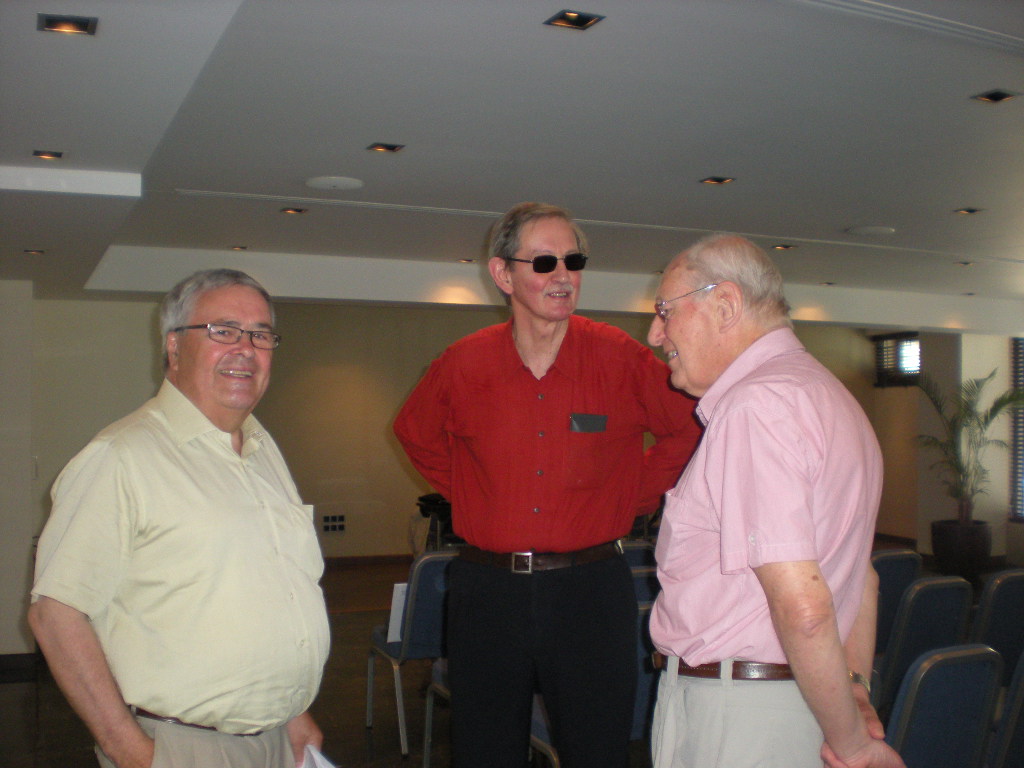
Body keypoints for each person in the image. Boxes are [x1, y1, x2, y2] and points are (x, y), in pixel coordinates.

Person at [394, 202, 702, 768]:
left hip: (590, 591)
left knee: (598, 752)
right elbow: (414, 434)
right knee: (484, 753)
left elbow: (689, 430)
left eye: (573, 259)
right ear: (502, 275)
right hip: (486, 593)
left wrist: (627, 495)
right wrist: (480, 493)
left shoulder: (620, 357)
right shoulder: (463, 363)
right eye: (544, 261)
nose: (563, 275)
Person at [29, 269, 329, 768]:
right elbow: (55, 614)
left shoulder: (261, 447)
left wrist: (294, 713)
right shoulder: (119, 456)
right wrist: (131, 751)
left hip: (278, 738)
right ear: (173, 348)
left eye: (260, 334)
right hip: (181, 746)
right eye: (223, 330)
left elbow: (276, 586)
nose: (246, 348)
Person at [646, 234, 904, 768]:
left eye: (665, 311)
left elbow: (805, 609)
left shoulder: (756, 406)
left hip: (739, 718)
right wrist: (852, 689)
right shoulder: (832, 398)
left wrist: (854, 745)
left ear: (725, 305)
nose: (655, 334)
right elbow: (863, 578)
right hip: (801, 703)